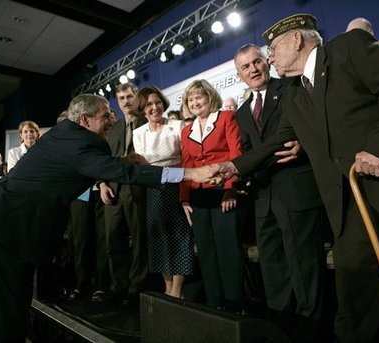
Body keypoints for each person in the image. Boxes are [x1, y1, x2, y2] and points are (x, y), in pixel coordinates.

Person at [215, 13, 379, 342]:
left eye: (273, 48)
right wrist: (235, 167)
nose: (269, 56)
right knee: (355, 295)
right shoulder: (295, 93)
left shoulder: (348, 47)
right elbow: (281, 137)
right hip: (354, 201)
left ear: (297, 40)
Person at [0, 94, 218, 342]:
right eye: (105, 115)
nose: (112, 119)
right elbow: (124, 174)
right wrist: (190, 174)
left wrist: (124, 161)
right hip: (13, 227)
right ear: (85, 120)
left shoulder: (64, 132)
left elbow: (84, 164)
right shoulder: (85, 145)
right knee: (11, 304)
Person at [233, 43, 328, 333]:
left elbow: (317, 124)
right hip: (264, 198)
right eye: (245, 67)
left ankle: (311, 331)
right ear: (239, 76)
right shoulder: (241, 113)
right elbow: (248, 151)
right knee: (273, 269)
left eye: (256, 62)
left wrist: (303, 143)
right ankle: (280, 329)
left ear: (267, 62)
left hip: (296, 190)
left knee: (305, 269)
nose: (253, 69)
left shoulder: (291, 87)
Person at [180, 79, 244, 310]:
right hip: (198, 198)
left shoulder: (226, 118)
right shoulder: (186, 131)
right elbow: (186, 166)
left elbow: (237, 154)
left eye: (200, 97)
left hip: (222, 192)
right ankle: (215, 303)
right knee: (206, 253)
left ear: (209, 97)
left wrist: (231, 189)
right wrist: (184, 198)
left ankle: (234, 304)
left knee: (228, 250)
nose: (196, 102)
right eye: (191, 99)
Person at [131, 86, 195, 299]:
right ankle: (167, 287)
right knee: (159, 237)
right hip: (153, 189)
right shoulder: (138, 133)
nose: (154, 107)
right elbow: (142, 165)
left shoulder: (177, 126)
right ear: (142, 108)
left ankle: (177, 290)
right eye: (148, 104)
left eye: (157, 102)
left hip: (177, 185)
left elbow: (187, 158)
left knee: (179, 236)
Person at [99, 83, 149, 305]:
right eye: (121, 98)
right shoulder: (114, 127)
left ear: (137, 97)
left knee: (139, 243)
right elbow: (101, 159)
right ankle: (118, 286)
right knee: (113, 241)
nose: (126, 101)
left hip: (137, 189)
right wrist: (101, 184)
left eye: (130, 96)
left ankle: (136, 289)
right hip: (112, 191)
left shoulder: (148, 122)